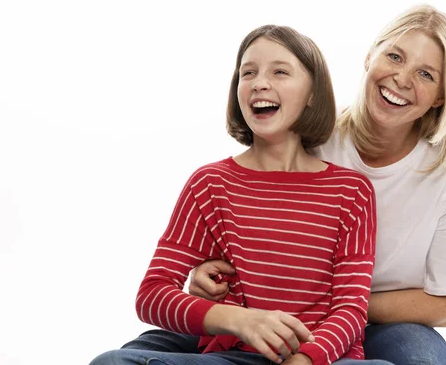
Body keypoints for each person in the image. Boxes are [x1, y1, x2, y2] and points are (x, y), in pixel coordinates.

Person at [189, 4, 446, 365]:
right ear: (369, 57)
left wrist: (341, 307)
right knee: (143, 349)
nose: (402, 78)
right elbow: (246, 219)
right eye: (394, 56)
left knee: (420, 354)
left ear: (442, 95)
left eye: (425, 74)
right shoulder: (310, 140)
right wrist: (205, 275)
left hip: (375, 322)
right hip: (271, 313)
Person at [90, 25, 391, 365]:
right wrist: (238, 321)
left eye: (280, 71)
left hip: (325, 360)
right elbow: (153, 295)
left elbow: (351, 310)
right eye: (248, 73)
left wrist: (304, 359)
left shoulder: (351, 191)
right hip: (236, 358)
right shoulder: (210, 184)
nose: (260, 82)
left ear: (312, 94)